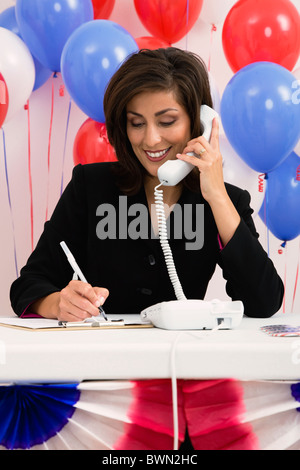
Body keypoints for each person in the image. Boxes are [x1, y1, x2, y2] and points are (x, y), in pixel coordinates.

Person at [10, 47, 284, 322]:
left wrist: (217, 196)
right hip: (100, 356)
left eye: (167, 121)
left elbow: (264, 301)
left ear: (197, 123)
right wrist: (57, 303)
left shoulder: (228, 202)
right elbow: (27, 286)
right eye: (137, 123)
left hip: (181, 359)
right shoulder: (90, 186)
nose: (151, 139)